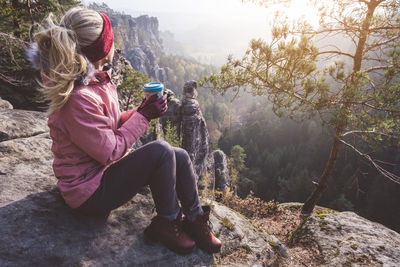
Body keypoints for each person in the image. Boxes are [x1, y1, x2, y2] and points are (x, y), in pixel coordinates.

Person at [27, 7, 221, 254]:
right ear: (101, 48)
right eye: (110, 38)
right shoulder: (78, 97)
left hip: (102, 173)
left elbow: (107, 125)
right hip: (88, 193)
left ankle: (194, 220)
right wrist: (144, 117)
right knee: (161, 150)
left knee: (179, 155)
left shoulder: (93, 81)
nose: (114, 42)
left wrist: (140, 110)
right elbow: (109, 151)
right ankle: (167, 221)